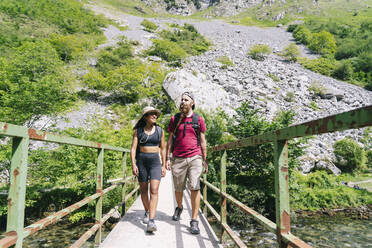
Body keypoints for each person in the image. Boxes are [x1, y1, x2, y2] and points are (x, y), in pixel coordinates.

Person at [165, 92, 208, 235]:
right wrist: (167, 158)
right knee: (178, 188)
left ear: (192, 103)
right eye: (182, 99)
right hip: (178, 157)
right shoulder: (174, 119)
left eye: (186, 100)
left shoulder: (198, 119)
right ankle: (179, 207)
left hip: (195, 156)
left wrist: (205, 160)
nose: (183, 102)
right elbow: (169, 140)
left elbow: (202, 141)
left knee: (195, 187)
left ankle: (194, 220)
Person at [130, 106, 166, 233]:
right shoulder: (138, 131)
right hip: (141, 162)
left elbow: (163, 148)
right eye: (152, 114)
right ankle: (147, 210)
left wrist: (163, 165)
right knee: (144, 190)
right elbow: (133, 149)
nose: (155, 116)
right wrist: (133, 164)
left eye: (156, 114)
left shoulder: (160, 131)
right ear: (145, 117)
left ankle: (151, 220)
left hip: (155, 163)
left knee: (154, 190)